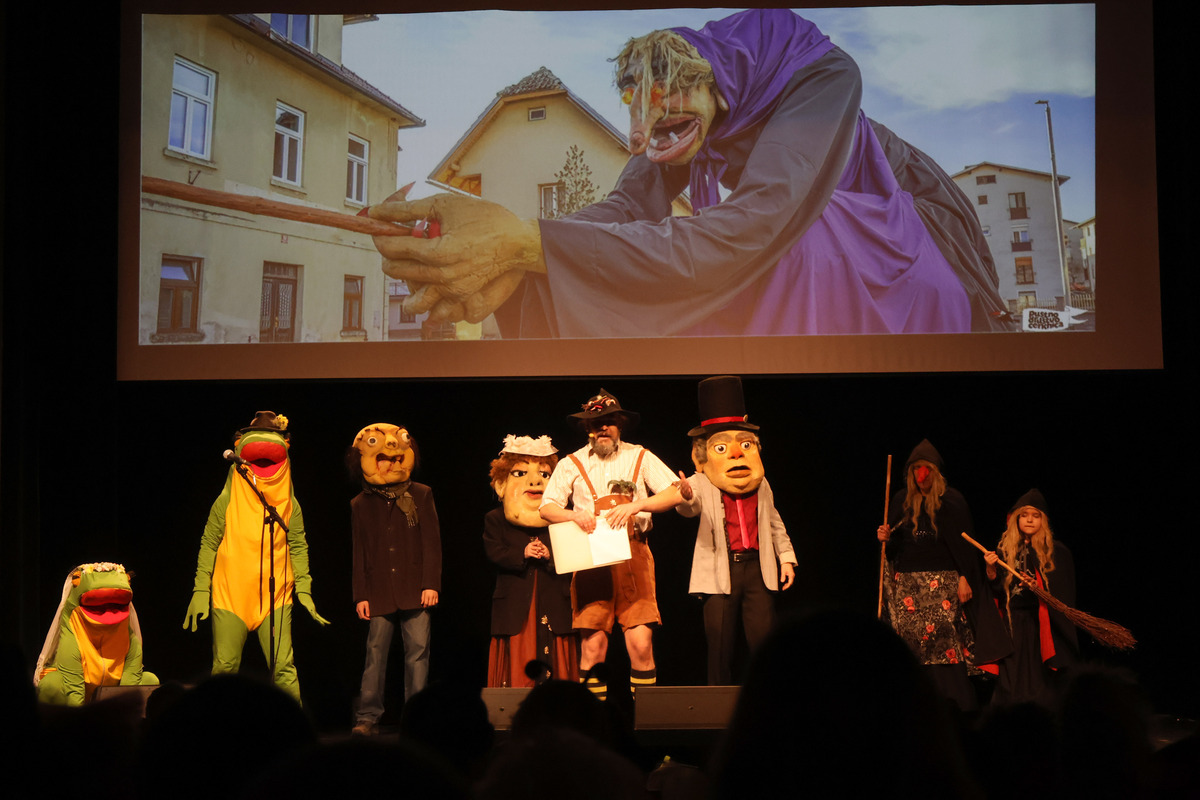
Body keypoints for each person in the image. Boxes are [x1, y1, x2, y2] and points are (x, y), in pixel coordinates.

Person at [368, 9, 1011, 338]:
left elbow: (753, 229)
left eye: (665, 109)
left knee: (798, 245)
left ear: (709, 83)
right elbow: (624, 210)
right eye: (636, 111)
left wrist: (526, 246)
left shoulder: (820, 72)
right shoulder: (685, 117)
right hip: (806, 219)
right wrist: (517, 250)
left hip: (906, 215)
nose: (643, 133)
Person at [539, 389, 683, 700]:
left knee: (641, 644)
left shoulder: (640, 456)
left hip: (634, 555)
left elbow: (675, 493)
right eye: (596, 423)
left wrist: (636, 505)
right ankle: (593, 721)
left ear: (620, 425)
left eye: (609, 422)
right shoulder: (571, 463)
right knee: (593, 647)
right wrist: (574, 515)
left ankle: (644, 721)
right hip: (591, 558)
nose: (603, 428)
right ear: (587, 429)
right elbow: (546, 507)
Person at [183, 411, 328, 704]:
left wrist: (304, 589)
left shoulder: (290, 504)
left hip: (276, 596)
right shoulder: (226, 500)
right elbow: (208, 544)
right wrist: (200, 590)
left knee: (283, 667)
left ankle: (292, 726)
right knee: (225, 667)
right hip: (230, 595)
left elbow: (298, 546)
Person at [675, 376, 796, 685]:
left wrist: (786, 558)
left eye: (744, 445)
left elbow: (774, 522)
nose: (736, 454)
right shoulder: (701, 481)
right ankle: (717, 703)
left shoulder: (761, 483)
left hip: (757, 569)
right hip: (721, 571)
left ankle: (768, 697)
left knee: (764, 642)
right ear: (703, 455)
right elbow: (690, 509)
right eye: (721, 446)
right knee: (720, 646)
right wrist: (685, 496)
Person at [876, 439, 1009, 712]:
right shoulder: (901, 500)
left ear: (935, 472)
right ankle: (916, 702)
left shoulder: (951, 500)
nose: (921, 475)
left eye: (925, 468)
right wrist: (886, 538)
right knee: (913, 643)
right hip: (909, 583)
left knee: (945, 640)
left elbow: (963, 547)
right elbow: (895, 549)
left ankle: (956, 704)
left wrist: (964, 577)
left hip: (943, 581)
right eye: (916, 469)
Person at [348, 423, 441, 735]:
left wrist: (431, 584)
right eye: (382, 459)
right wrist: (361, 594)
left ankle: (416, 718)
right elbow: (359, 551)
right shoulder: (360, 503)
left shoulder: (421, 494)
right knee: (375, 654)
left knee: (418, 654)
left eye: (393, 459)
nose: (388, 463)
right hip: (378, 590)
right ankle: (367, 717)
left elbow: (432, 543)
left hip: (415, 586)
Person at [484, 434, 579, 687]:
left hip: (554, 598)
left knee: (556, 658)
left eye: (545, 475)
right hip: (515, 602)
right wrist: (522, 553)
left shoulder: (565, 519)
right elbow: (493, 551)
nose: (535, 481)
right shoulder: (495, 519)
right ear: (501, 484)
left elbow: (575, 554)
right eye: (520, 473)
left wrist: (550, 555)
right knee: (520, 656)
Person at [983, 489, 1079, 705]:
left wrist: (1038, 588)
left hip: (1040, 622)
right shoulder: (1005, 550)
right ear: (1016, 519)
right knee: (1011, 674)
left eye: (1035, 516)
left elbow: (1062, 593)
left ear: (1043, 521)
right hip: (1012, 622)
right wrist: (990, 570)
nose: (1029, 520)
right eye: (1024, 515)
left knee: (1037, 675)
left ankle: (1039, 713)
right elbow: (996, 591)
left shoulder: (1056, 552)